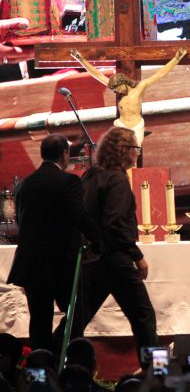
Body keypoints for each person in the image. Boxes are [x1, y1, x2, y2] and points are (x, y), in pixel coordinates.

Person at [7, 133, 98, 353]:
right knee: (78, 312)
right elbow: (79, 216)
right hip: (60, 263)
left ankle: (41, 372)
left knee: (39, 323)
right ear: (65, 154)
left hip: (31, 264)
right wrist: (100, 239)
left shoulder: (25, 185)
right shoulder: (69, 181)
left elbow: (20, 221)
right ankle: (65, 360)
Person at [79, 127, 157, 359]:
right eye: (135, 148)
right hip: (115, 260)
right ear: (124, 151)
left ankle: (46, 364)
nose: (138, 153)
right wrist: (137, 255)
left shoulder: (90, 176)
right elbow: (115, 224)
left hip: (93, 259)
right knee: (144, 317)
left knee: (77, 320)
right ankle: (156, 372)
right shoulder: (117, 181)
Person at [70, 47, 187, 147]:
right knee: (119, 155)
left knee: (133, 155)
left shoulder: (139, 88)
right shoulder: (117, 89)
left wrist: (177, 58)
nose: (117, 92)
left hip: (136, 126)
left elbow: (160, 74)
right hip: (121, 125)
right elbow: (97, 74)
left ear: (123, 82)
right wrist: (80, 59)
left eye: (118, 89)